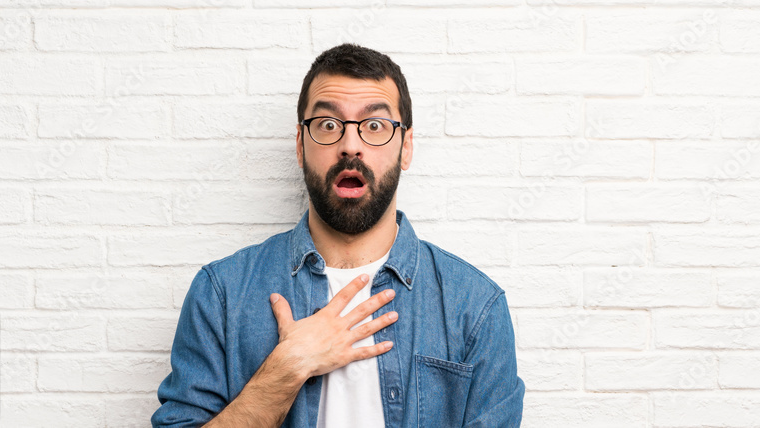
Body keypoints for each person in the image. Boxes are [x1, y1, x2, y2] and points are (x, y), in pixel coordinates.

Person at [151, 43, 526, 428]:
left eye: (375, 126)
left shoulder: (475, 306)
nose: (351, 146)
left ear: (406, 147)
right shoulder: (221, 294)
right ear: (300, 144)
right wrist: (285, 370)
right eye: (328, 125)